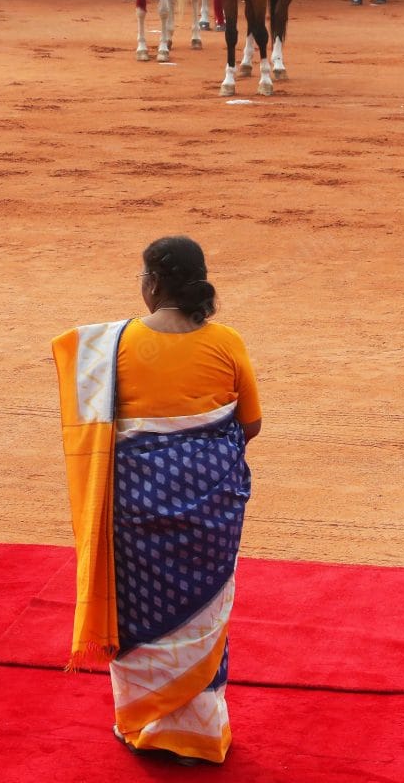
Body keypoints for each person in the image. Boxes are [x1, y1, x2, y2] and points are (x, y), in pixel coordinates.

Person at [51, 236, 261, 766]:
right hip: (210, 510)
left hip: (135, 509)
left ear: (152, 284)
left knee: (139, 609)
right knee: (202, 614)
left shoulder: (112, 347)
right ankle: (198, 735)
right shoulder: (228, 343)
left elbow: (96, 431)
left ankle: (145, 726)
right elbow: (251, 424)